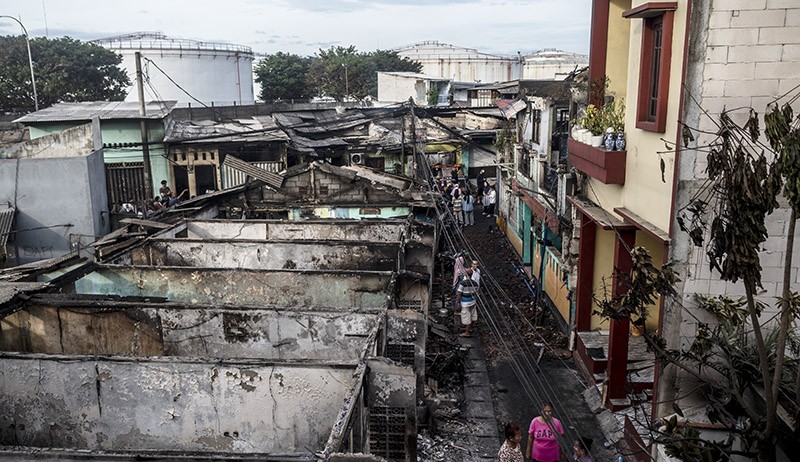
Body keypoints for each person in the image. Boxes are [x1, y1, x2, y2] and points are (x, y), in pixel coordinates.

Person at [456, 267, 480, 337]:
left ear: (465, 274)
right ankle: (470, 328)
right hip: (473, 301)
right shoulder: (475, 283)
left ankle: (467, 333)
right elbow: (476, 292)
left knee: (467, 317)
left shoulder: (462, 283)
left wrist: (458, 303)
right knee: (472, 316)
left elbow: (459, 294)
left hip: (465, 302)